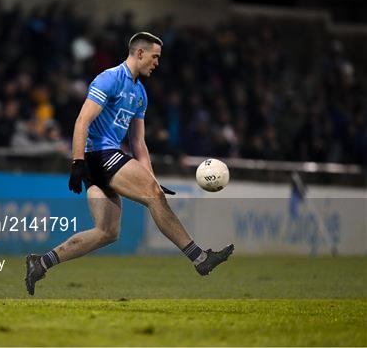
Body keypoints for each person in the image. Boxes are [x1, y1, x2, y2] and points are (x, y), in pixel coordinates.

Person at [25, 32, 234, 295]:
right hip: (98, 155)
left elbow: (138, 144)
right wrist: (77, 161)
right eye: (155, 57)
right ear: (140, 53)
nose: (157, 63)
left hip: (103, 159)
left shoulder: (140, 94)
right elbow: (82, 121)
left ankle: (40, 263)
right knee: (153, 197)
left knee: (107, 232)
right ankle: (200, 258)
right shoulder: (109, 78)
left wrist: (152, 179)